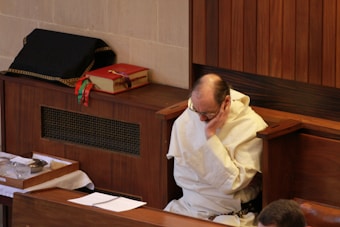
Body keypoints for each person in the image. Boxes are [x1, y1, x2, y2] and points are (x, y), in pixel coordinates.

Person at [164, 73, 268, 226]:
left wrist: (210, 138)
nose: (200, 119)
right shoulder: (188, 117)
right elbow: (181, 176)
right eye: (196, 110)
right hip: (187, 209)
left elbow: (231, 184)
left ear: (226, 102)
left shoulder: (251, 127)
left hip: (230, 216)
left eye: (207, 113)